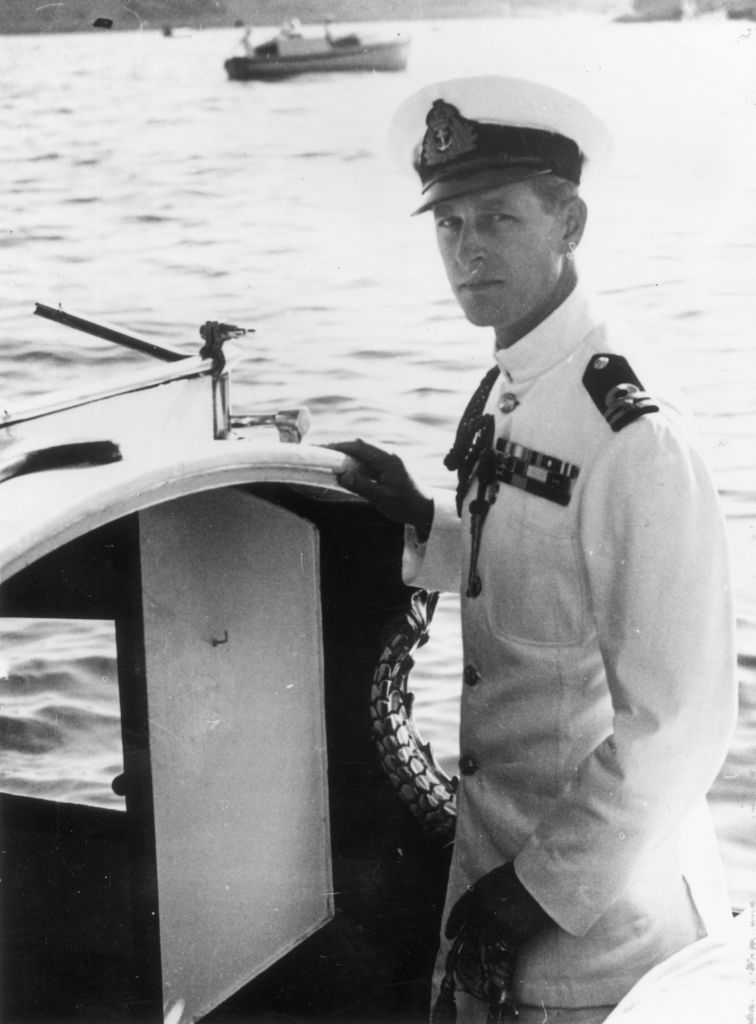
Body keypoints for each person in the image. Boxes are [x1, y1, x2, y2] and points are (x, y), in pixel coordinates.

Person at [330, 76, 738, 1024]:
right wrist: (426, 523)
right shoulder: (521, 382)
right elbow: (541, 575)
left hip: (598, 932)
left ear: (571, 223)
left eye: (500, 219)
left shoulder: (629, 432)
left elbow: (679, 725)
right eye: (450, 226)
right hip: (503, 871)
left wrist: (533, 893)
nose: (469, 252)